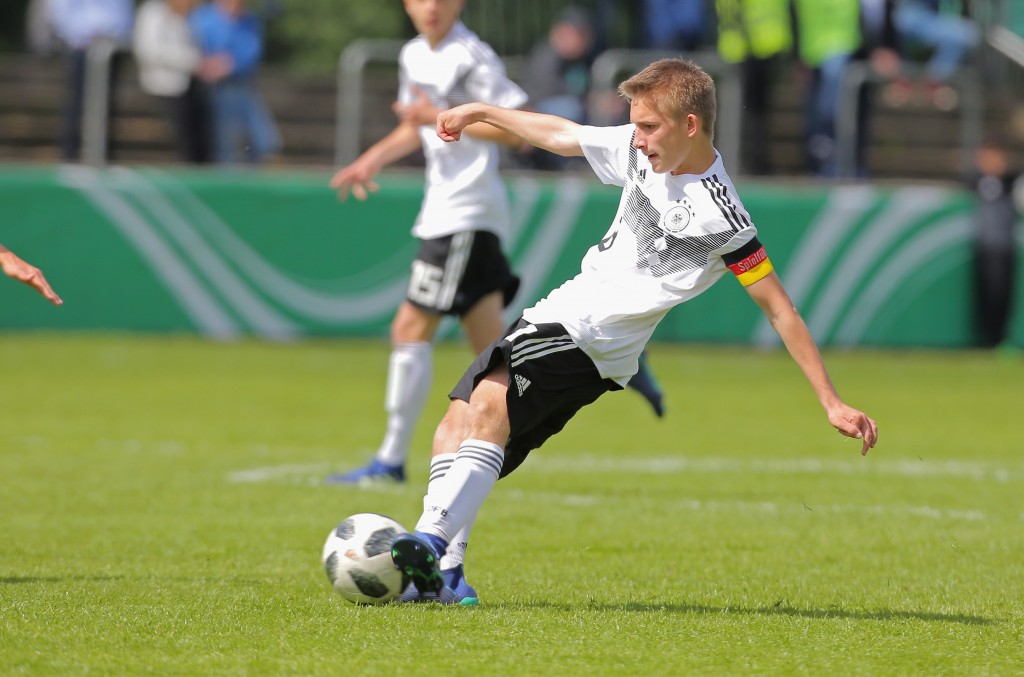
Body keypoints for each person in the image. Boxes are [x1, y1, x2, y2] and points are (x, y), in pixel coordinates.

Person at [388, 58, 879, 605]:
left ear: (690, 125)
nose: (638, 139)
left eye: (649, 127)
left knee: (487, 404)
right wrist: (483, 111)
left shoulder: (724, 217)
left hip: (593, 337)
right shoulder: (636, 151)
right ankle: (449, 575)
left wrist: (831, 401)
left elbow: (780, 309)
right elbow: (562, 135)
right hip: (563, 313)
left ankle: (429, 542)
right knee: (456, 426)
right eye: (636, 126)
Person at [324, 0, 528, 487]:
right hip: (450, 210)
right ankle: (570, 375)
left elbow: (517, 130)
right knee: (492, 350)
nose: (431, 6)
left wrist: (437, 113)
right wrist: (371, 160)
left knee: (410, 326)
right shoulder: (414, 54)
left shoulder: (473, 56)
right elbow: (414, 124)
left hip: (465, 210)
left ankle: (391, 459)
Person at [190, 0, 280, 165]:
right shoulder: (203, 18)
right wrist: (209, 64)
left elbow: (252, 52)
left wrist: (229, 65)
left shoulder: (249, 20)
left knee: (265, 141)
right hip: (214, 89)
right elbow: (195, 49)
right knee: (225, 142)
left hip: (243, 86)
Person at [46, 0, 134, 162]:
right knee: (76, 104)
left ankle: (103, 157)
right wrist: (80, 36)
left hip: (111, 49)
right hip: (81, 47)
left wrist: (117, 36)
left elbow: (124, 14)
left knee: (106, 105)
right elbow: (59, 12)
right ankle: (70, 156)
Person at [714, 0, 793, 176]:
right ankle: (747, 161)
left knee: (756, 111)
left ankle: (754, 161)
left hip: (758, 45)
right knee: (747, 111)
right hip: (745, 46)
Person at [133, 0, 211, 164]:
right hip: (163, 87)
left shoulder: (189, 17)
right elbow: (149, 50)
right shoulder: (153, 12)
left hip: (187, 86)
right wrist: (192, 61)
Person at [968, 137, 1020, 349]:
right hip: (985, 248)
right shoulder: (973, 182)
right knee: (986, 295)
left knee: (1004, 296)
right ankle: (987, 340)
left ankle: (1000, 339)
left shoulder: (1012, 182)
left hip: (1005, 247)